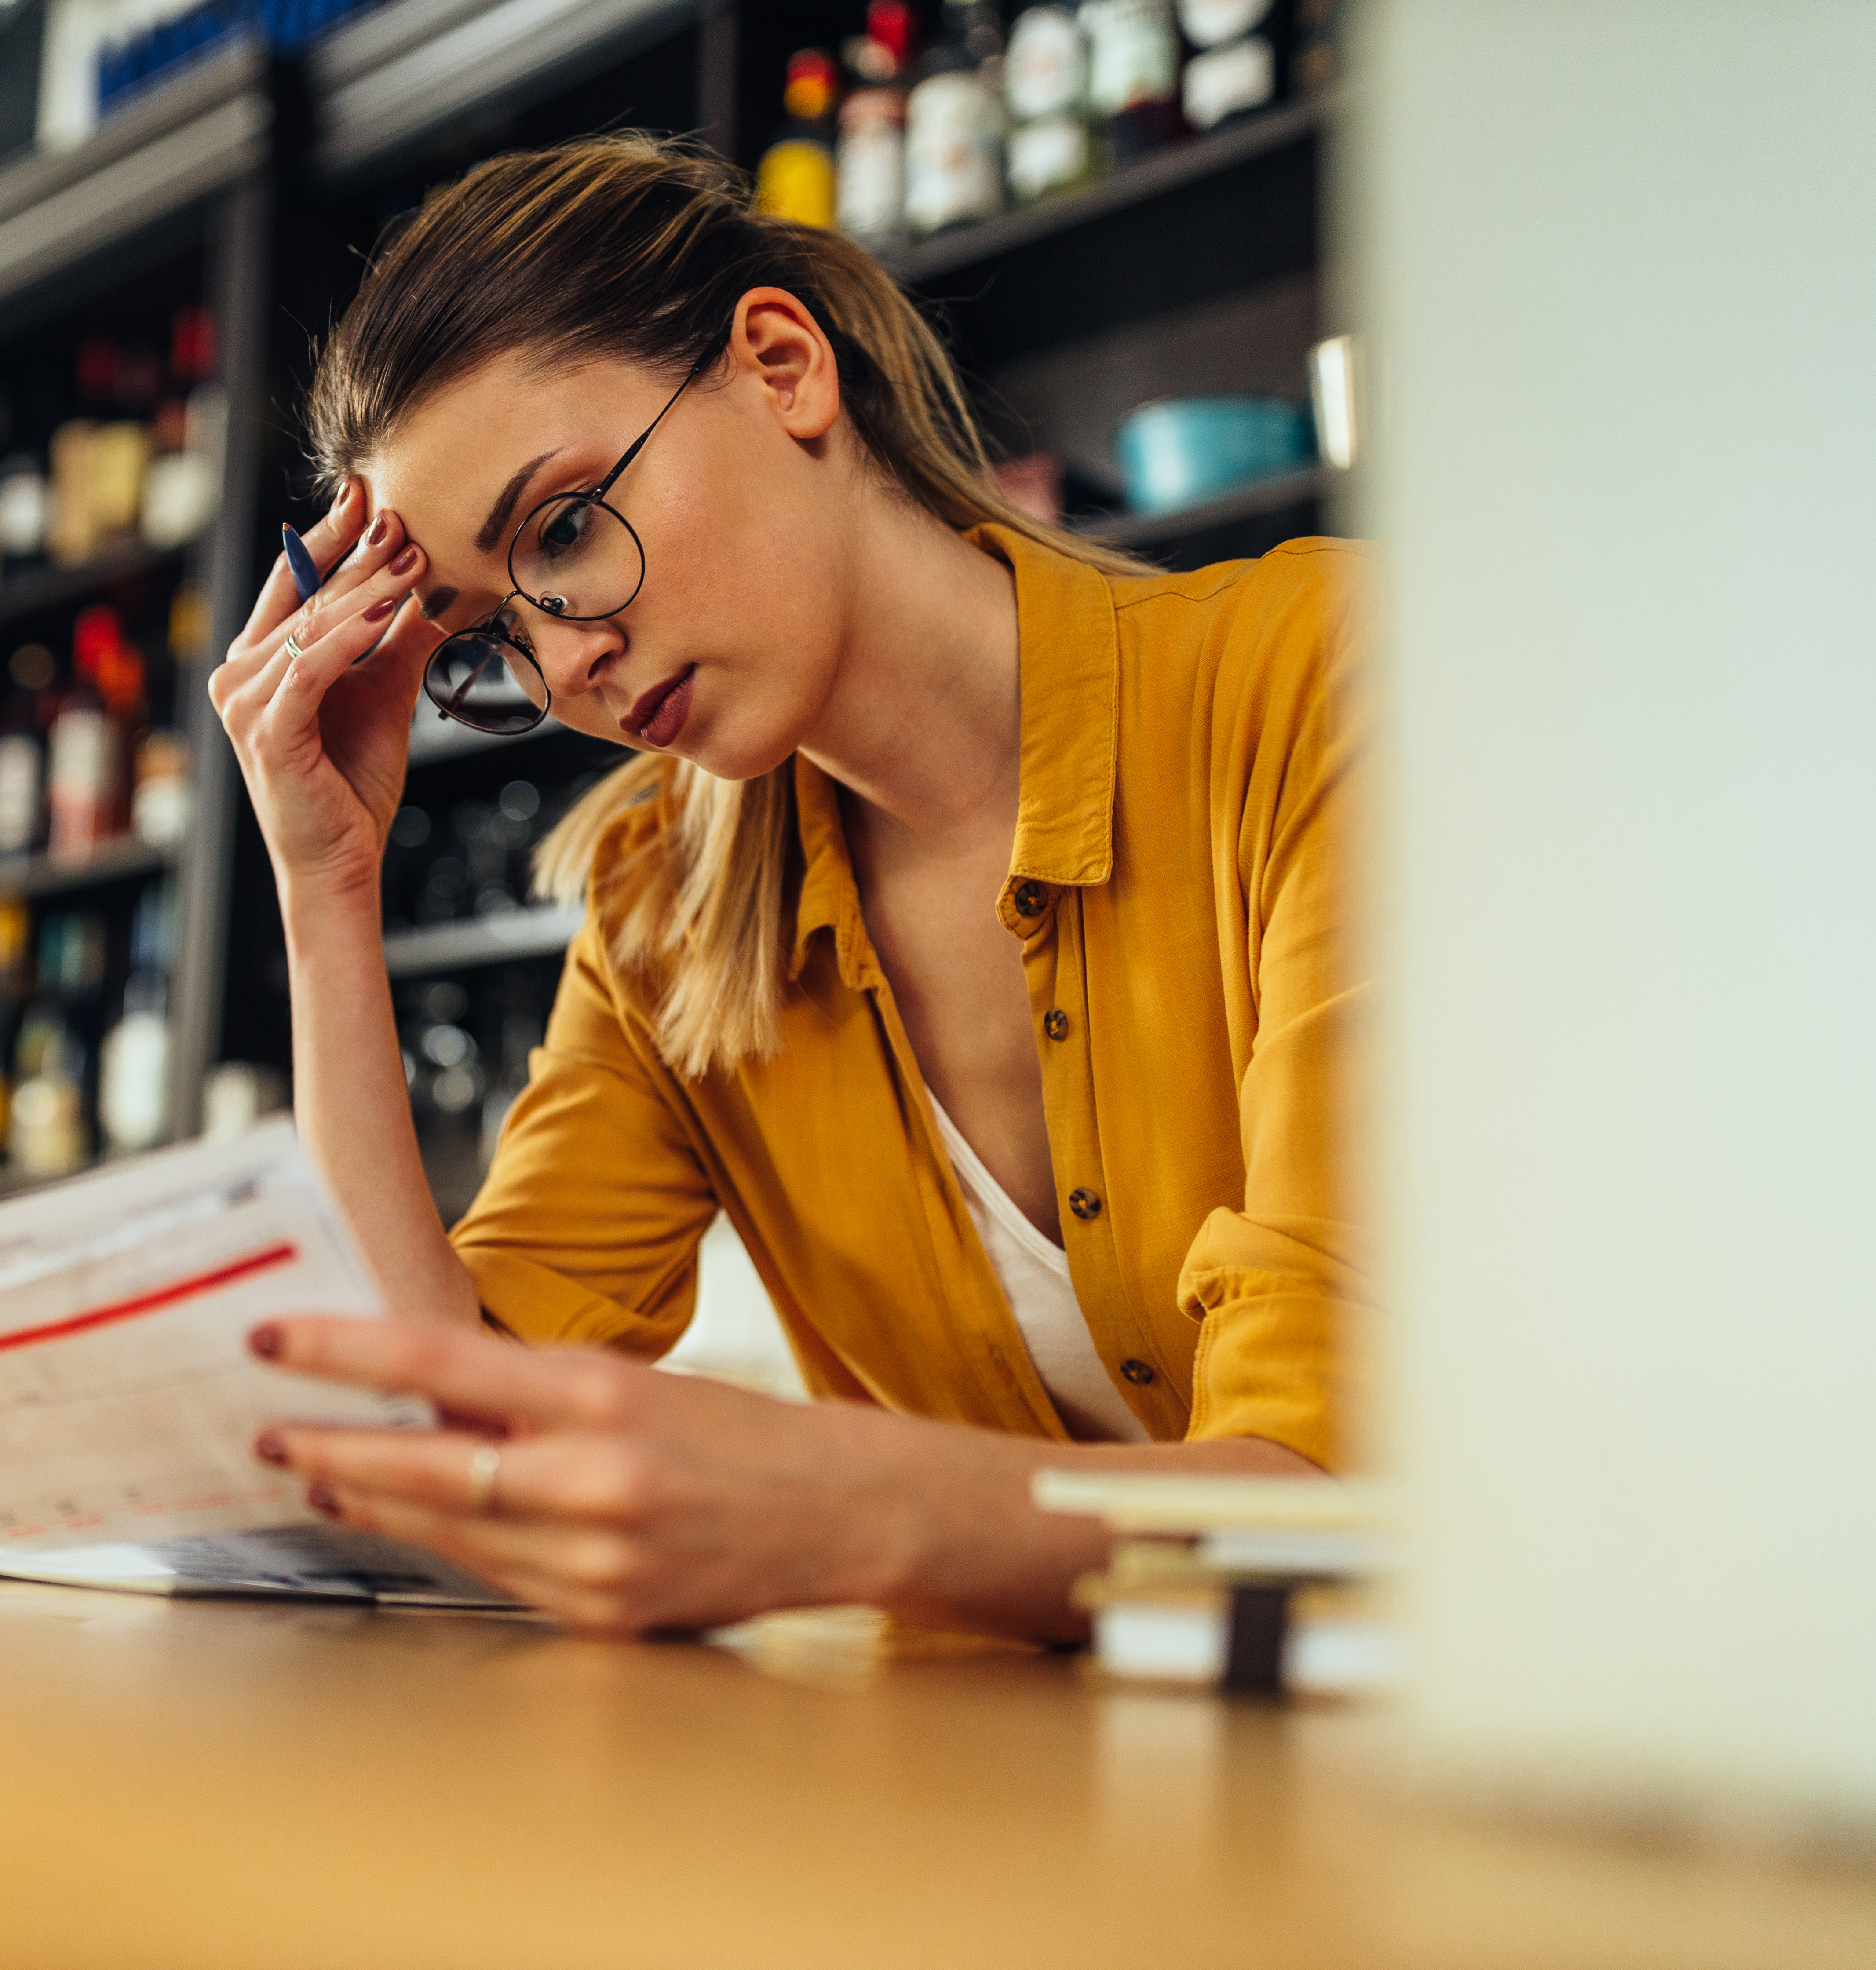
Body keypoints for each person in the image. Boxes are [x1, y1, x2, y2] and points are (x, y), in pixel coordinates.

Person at [211, 134, 1363, 1641]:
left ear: (778, 365)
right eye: (489, 636)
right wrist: (323, 884)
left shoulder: (1320, 682)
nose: (565, 667)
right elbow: (450, 1450)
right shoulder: (661, 912)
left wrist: (843, 1507)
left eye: (563, 528)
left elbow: (1338, 1500)